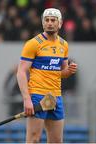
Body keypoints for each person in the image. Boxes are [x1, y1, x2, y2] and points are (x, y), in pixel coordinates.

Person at [17, 8, 77, 143]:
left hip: (55, 97)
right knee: (34, 140)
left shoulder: (64, 45)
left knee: (57, 141)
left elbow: (62, 73)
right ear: (43, 23)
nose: (50, 23)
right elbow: (21, 72)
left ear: (60, 23)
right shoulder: (33, 44)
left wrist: (70, 71)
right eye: (47, 20)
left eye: (53, 20)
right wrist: (27, 99)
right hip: (37, 96)